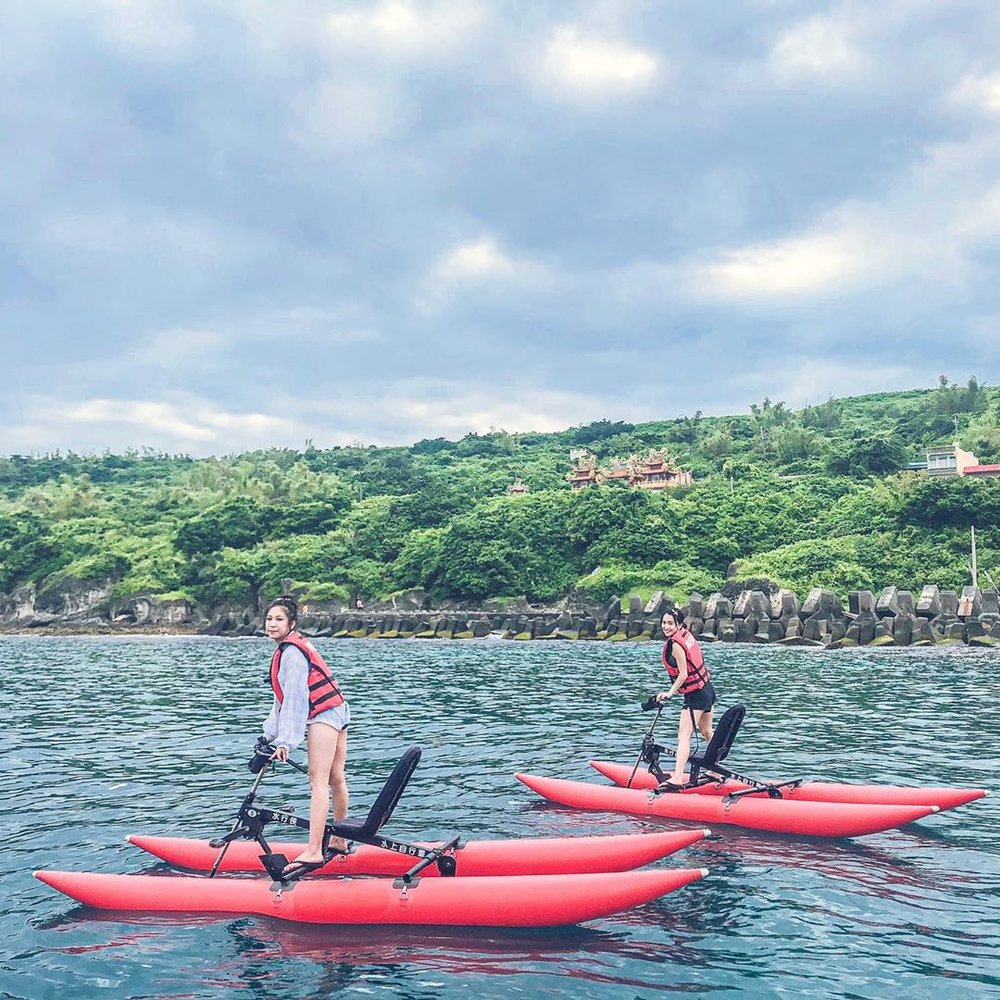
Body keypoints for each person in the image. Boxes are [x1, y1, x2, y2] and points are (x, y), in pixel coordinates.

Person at [261, 594, 351, 878]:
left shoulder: (291, 653)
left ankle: (314, 849)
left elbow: (297, 698)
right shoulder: (287, 650)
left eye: (279, 620)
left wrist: (286, 741)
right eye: (269, 619)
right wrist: (269, 736)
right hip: (337, 709)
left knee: (318, 781)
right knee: (336, 779)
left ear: (292, 624)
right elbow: (281, 701)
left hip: (324, 714)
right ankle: (339, 840)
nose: (272, 625)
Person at [655, 607, 716, 788]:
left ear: (679, 625)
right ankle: (714, 769)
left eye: (670, 624)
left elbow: (683, 675)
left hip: (696, 695)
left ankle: (678, 777)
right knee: (706, 732)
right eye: (664, 623)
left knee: (683, 735)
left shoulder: (675, 645)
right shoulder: (685, 635)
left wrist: (669, 693)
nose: (666, 627)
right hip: (707, 690)